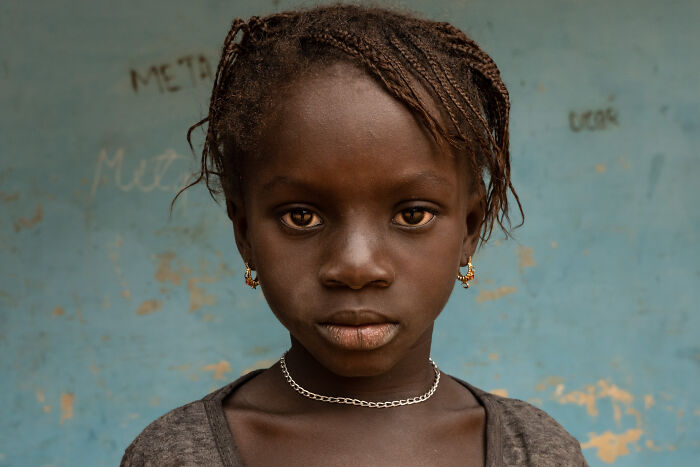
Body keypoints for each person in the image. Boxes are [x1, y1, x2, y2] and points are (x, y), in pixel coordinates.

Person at [121, 4, 588, 466]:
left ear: (470, 227)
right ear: (244, 232)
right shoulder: (176, 455)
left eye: (412, 215)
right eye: (301, 217)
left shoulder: (536, 452)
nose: (356, 267)